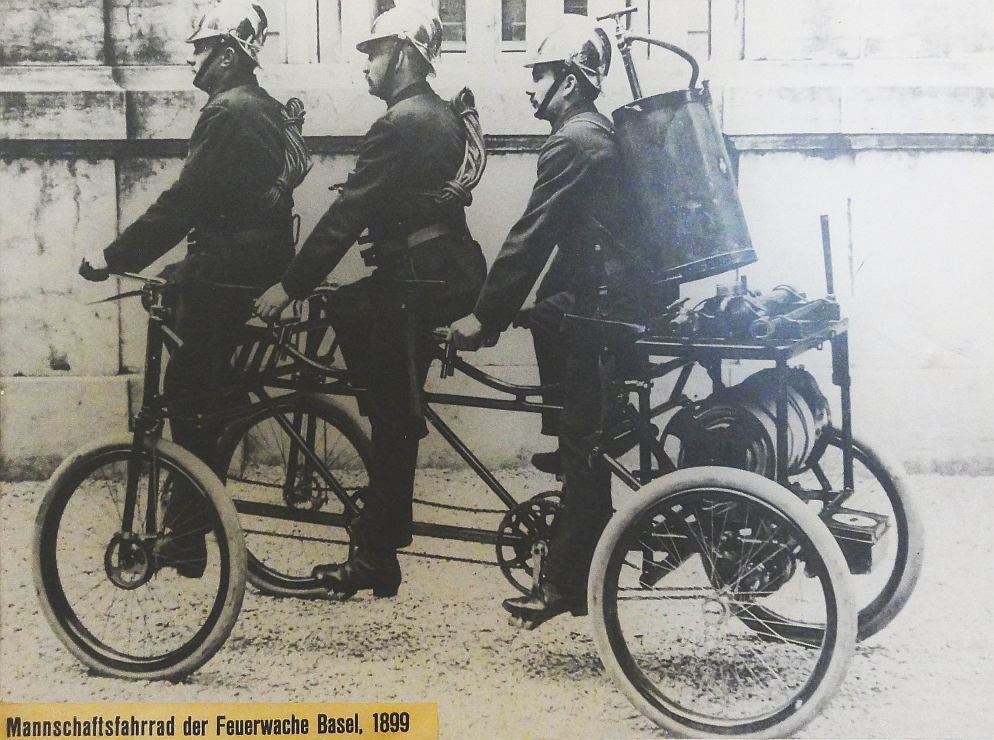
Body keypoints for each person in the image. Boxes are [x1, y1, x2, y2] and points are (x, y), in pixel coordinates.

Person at [255, 3, 487, 600]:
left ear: (405, 55)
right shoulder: (435, 114)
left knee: (387, 407)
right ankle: (388, 511)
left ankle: (378, 551)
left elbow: (347, 213)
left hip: (422, 280)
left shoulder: (400, 121)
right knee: (387, 387)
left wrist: (290, 286)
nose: (366, 65)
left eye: (374, 52)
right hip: (446, 271)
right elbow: (402, 198)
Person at [79, 0, 308, 577]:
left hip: (225, 277)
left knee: (187, 391)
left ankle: (188, 534)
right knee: (209, 393)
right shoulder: (261, 108)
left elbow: (187, 202)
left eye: (201, 50)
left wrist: (114, 258)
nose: (193, 61)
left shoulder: (228, 112)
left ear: (229, 54)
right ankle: (196, 520)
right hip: (250, 267)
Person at [448, 15, 663, 627]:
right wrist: (519, 311)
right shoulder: (595, 133)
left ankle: (566, 582)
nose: (530, 87)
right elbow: (569, 246)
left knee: (583, 449)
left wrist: (481, 319)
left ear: (569, 81)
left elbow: (530, 237)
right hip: (610, 300)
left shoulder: (574, 141)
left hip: (603, 312)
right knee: (549, 329)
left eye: (538, 75)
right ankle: (576, 446)